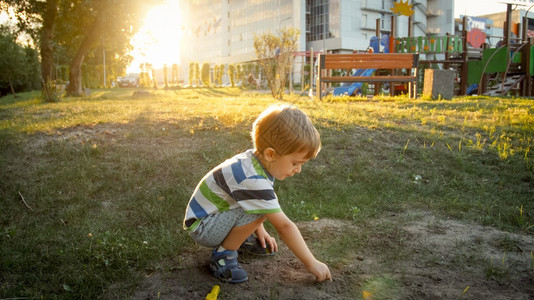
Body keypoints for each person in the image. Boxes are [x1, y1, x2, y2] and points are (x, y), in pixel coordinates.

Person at [183, 104, 332, 283]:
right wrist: (311, 262)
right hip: (204, 227)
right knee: (264, 209)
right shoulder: (252, 178)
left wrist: (257, 229)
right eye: (295, 163)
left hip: (211, 218)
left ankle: (238, 240)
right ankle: (223, 257)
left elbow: (245, 200)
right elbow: (284, 226)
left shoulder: (255, 162)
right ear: (270, 154)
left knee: (262, 206)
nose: (298, 170)